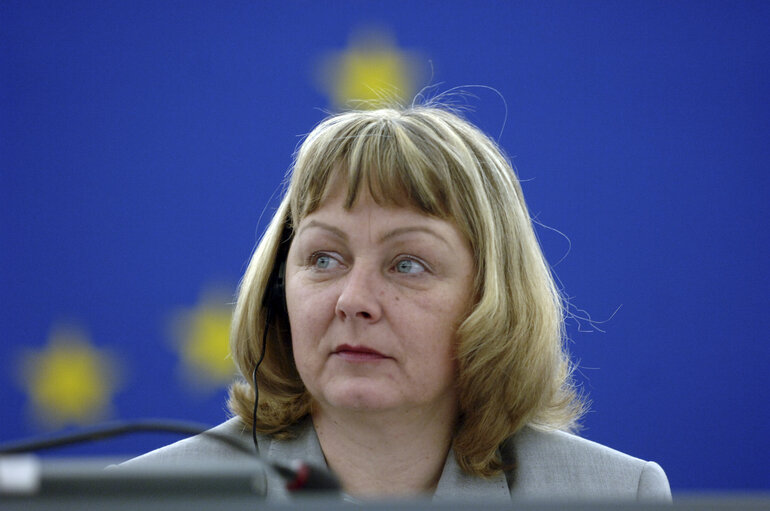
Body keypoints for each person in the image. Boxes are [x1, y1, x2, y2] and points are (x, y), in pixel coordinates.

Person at [124, 103, 671, 502]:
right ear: (276, 289)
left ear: (490, 300)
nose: (354, 300)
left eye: (407, 264)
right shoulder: (147, 498)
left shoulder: (618, 497)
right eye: (323, 259)